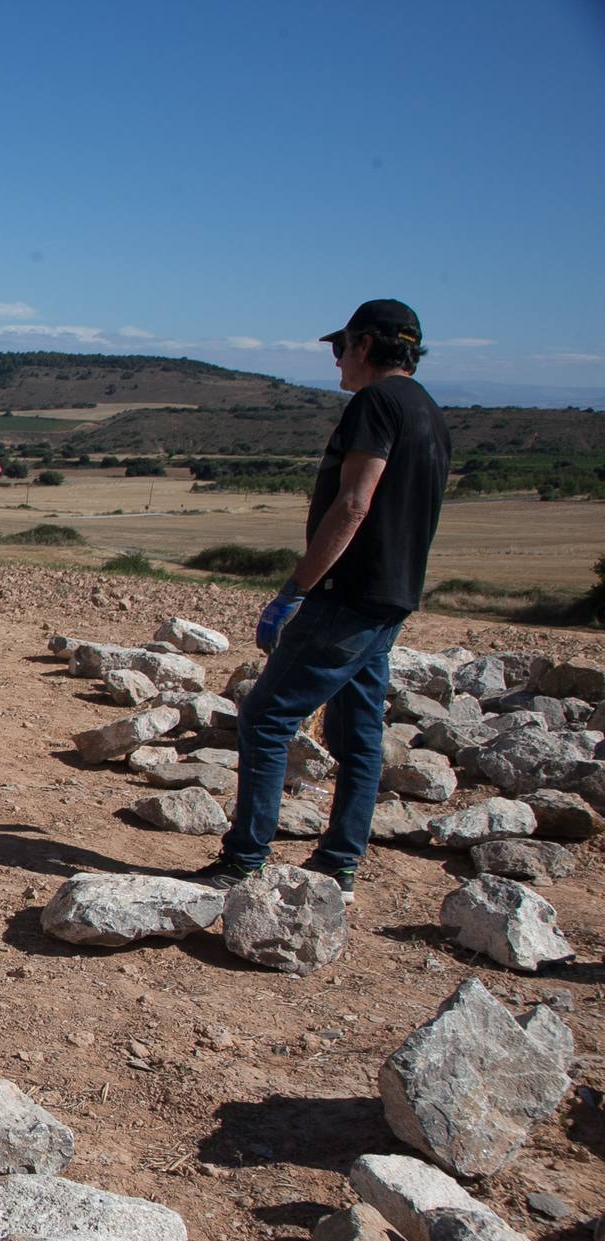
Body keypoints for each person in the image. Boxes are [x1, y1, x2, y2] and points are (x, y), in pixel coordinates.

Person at [196, 298, 449, 900]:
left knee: (267, 714)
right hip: (393, 596)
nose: (337, 361)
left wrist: (295, 591)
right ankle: (339, 863)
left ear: (365, 345)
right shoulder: (431, 412)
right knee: (358, 730)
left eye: (341, 347)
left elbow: (355, 503)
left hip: (348, 595)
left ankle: (244, 859)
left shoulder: (376, 403)